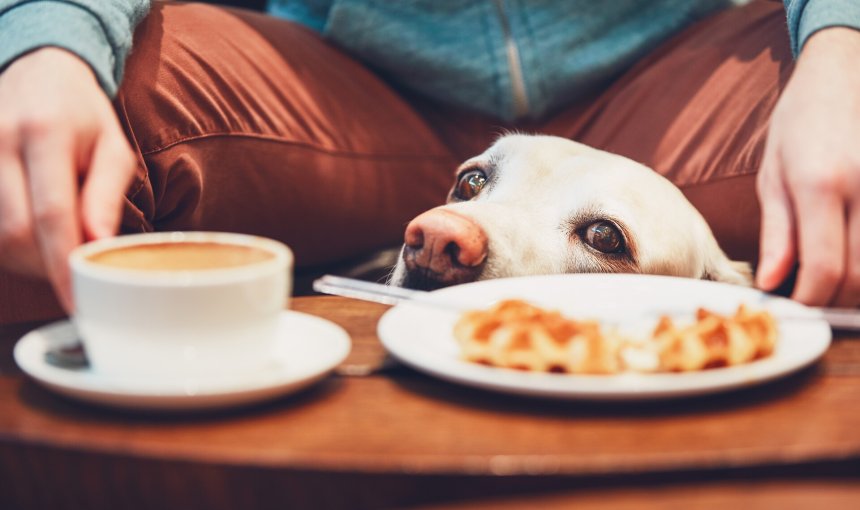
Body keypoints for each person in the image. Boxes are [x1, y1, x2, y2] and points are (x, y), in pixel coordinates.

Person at [0, 0, 858, 324]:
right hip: (350, 80)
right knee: (64, 130)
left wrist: (845, 42)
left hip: (680, 69)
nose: (453, 229)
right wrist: (47, 36)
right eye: (473, 193)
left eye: (600, 234)